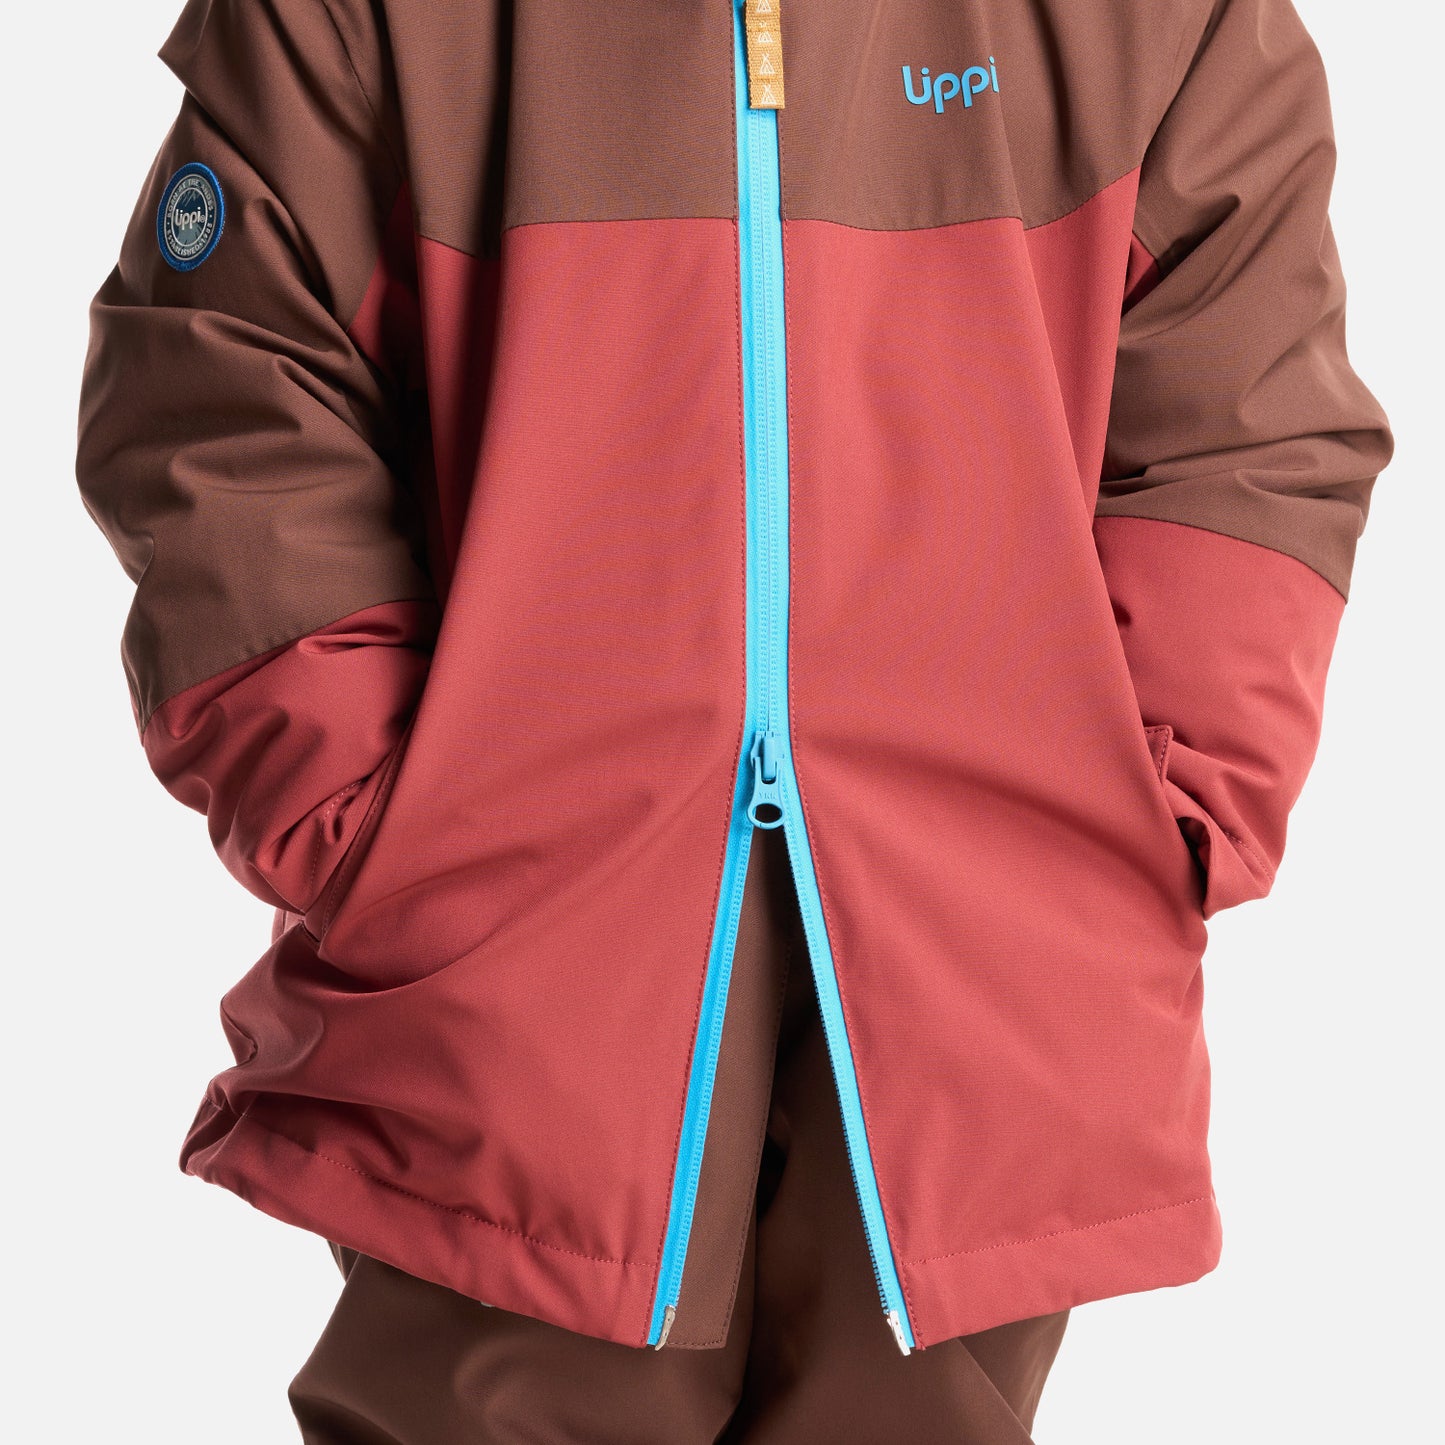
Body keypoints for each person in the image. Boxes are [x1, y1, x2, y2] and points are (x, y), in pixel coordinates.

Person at [75, 0, 1392, 1439]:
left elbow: (1249, 426)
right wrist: (371, 814)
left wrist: (1158, 807)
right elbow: (222, 379)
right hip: (510, 984)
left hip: (991, 984)